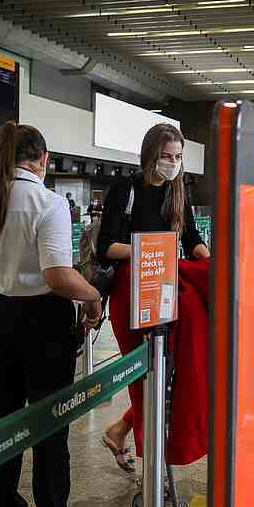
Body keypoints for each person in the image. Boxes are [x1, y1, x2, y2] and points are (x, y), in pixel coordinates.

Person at [0, 122, 101, 507]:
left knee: (2, 421)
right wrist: (94, 295)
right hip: (44, 324)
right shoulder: (49, 202)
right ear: (43, 159)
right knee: (50, 425)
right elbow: (58, 276)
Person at [98, 123, 209, 472]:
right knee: (146, 377)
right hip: (133, 292)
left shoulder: (177, 191)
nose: (173, 163)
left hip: (166, 287)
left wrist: (216, 266)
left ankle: (120, 430)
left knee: (170, 371)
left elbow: (191, 240)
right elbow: (106, 247)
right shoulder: (125, 188)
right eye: (166, 156)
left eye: (177, 157)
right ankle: (151, 463)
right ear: (150, 155)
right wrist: (150, 251)